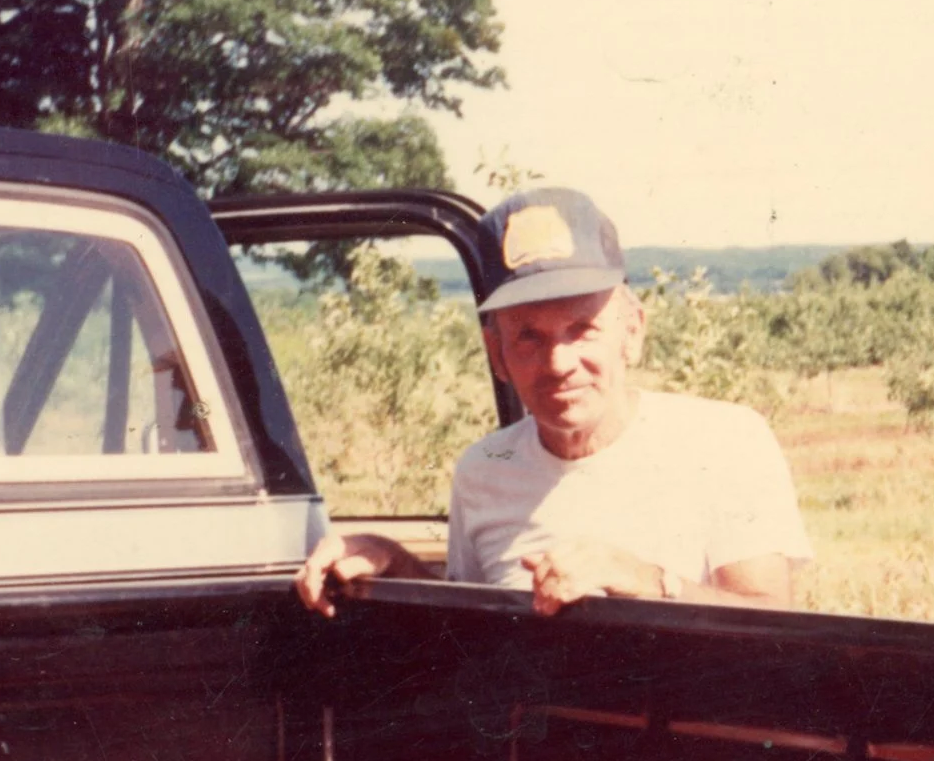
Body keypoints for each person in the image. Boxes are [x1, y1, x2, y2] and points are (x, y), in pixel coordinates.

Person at [295, 188, 811, 617]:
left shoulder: (724, 442)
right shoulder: (484, 470)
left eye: (581, 329)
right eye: (529, 337)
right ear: (496, 354)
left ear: (632, 332)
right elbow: (470, 632)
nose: (558, 363)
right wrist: (388, 560)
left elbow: (773, 622)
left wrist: (644, 580)